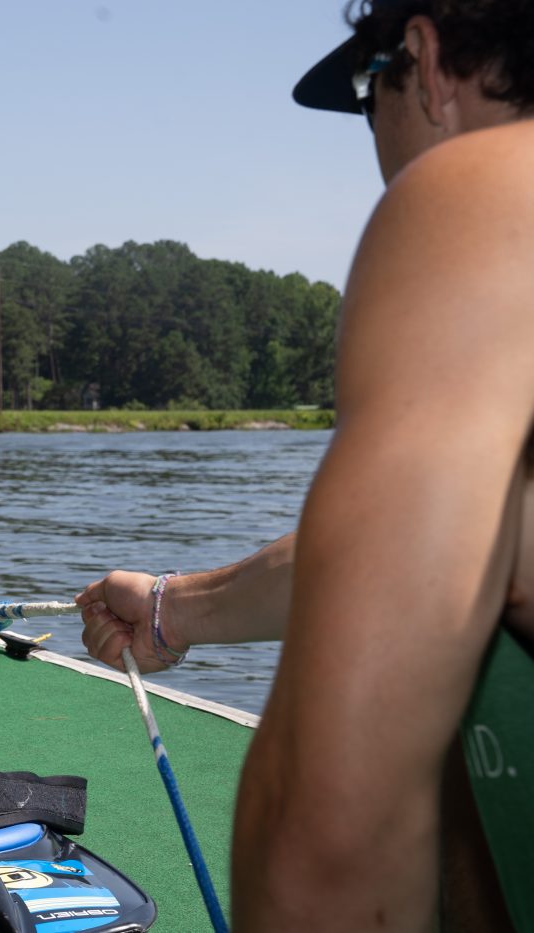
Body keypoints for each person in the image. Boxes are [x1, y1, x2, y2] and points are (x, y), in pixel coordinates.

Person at [78, 2, 534, 929]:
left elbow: (328, 833)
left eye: (367, 96)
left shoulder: (480, 190)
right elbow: (435, 550)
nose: (374, 144)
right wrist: (172, 608)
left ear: (425, 61)